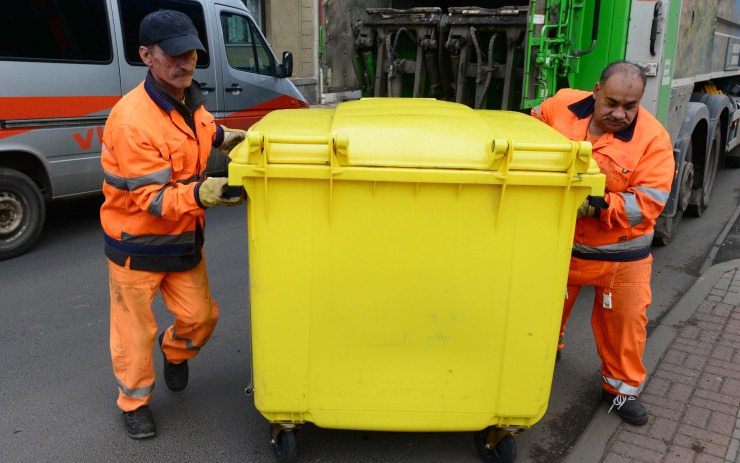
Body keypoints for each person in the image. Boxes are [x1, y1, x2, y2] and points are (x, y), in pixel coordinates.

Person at [99, 9, 247, 439]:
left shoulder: (189, 98)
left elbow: (197, 131)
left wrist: (225, 137)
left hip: (182, 240)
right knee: (134, 334)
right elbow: (151, 198)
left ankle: (176, 353)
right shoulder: (131, 121)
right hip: (137, 246)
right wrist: (204, 193)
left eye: (192, 54)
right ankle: (133, 403)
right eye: (175, 55)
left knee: (200, 318)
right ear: (146, 55)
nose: (186, 63)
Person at [531, 61, 674, 425]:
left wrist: (594, 205)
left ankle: (620, 391)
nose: (620, 113)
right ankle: (545, 354)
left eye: (631, 105)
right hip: (559, 247)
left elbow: (647, 205)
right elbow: (527, 133)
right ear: (595, 90)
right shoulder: (559, 106)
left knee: (625, 330)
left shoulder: (654, 140)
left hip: (620, 257)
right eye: (612, 102)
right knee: (541, 314)